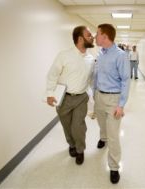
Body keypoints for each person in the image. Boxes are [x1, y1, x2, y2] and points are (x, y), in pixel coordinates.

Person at [46, 26, 95, 165]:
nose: (92, 37)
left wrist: (93, 96)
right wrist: (50, 94)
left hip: (81, 98)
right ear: (80, 39)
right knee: (66, 125)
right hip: (64, 98)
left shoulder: (91, 58)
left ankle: (80, 150)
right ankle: (71, 145)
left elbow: (90, 79)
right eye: (89, 35)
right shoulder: (64, 55)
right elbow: (52, 74)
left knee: (78, 126)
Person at [93, 23, 130, 184]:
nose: (95, 36)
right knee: (102, 125)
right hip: (99, 97)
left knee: (114, 136)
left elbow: (126, 80)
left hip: (113, 99)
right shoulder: (100, 53)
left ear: (105, 36)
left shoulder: (120, 55)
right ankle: (103, 137)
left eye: (97, 34)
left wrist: (121, 105)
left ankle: (114, 167)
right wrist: (94, 93)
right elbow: (96, 74)